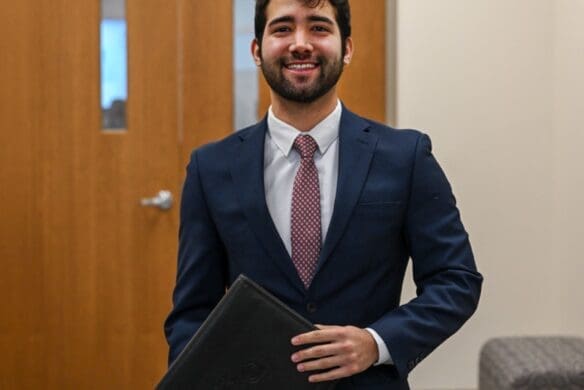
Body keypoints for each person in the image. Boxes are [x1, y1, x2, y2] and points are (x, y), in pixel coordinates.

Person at [164, 0, 483, 388]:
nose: (300, 43)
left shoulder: (406, 157)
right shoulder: (211, 168)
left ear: (346, 48)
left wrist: (376, 342)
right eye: (282, 29)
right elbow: (192, 312)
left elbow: (456, 279)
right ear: (256, 51)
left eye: (318, 28)